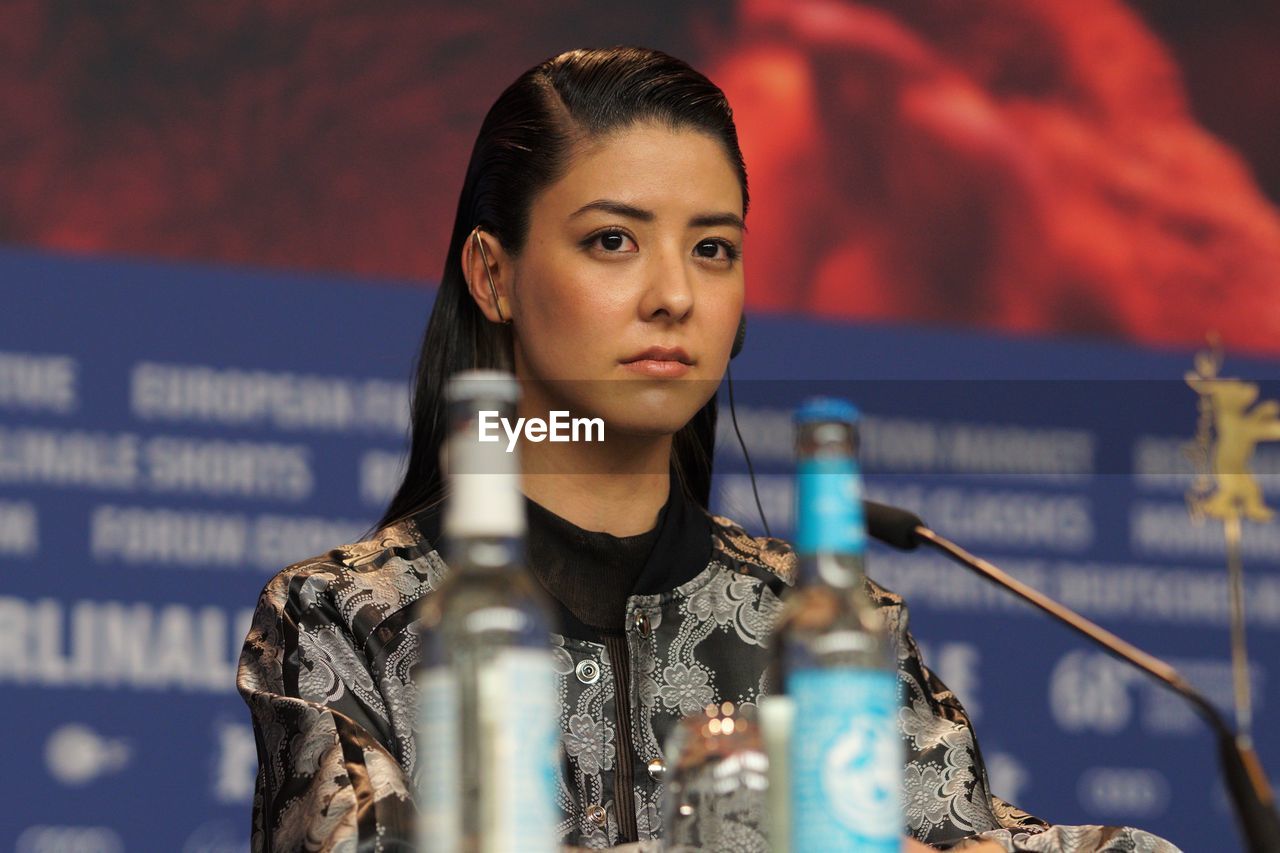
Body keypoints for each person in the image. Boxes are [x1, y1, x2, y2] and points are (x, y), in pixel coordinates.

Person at [236, 46, 1179, 852]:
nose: (673, 296)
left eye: (714, 249)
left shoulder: (824, 625)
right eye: (614, 240)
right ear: (494, 275)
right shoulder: (345, 615)